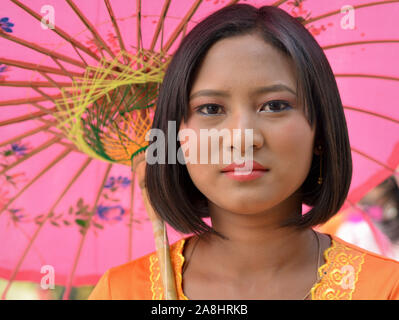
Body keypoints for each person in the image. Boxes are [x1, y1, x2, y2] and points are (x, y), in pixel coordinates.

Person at [88, 4, 399, 300]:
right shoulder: (123, 291)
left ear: (319, 130)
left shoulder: (385, 288)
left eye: (274, 106)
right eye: (210, 109)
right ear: (176, 138)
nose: (242, 138)